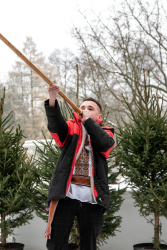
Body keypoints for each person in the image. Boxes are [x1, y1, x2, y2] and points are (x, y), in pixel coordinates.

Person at [44, 84, 115, 250]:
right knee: (56, 242)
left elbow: (105, 144)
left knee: (88, 245)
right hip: (66, 195)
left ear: (99, 116)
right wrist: (53, 98)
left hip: (93, 198)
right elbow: (55, 125)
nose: (85, 109)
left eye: (91, 108)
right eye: (82, 107)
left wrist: (88, 122)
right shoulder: (70, 128)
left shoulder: (106, 132)